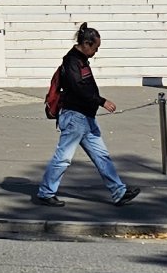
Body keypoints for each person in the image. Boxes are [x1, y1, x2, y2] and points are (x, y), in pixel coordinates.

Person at [31, 24, 140, 208]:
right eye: (95, 48)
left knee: (102, 156)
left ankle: (119, 192)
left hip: (86, 117)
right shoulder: (72, 61)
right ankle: (46, 192)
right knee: (63, 157)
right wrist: (101, 101)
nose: (96, 52)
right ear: (87, 44)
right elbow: (78, 88)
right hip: (75, 117)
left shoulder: (81, 60)